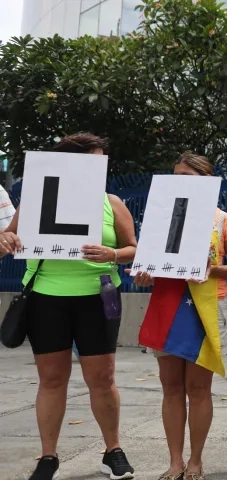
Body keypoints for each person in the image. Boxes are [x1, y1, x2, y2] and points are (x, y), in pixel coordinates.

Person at [0, 133, 138, 480]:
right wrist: (7, 240)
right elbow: (6, 242)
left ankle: (113, 450)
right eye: (93, 160)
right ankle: (48, 457)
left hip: (98, 297)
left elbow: (135, 248)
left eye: (102, 160)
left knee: (102, 379)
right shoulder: (36, 200)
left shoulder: (111, 202)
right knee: (51, 379)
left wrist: (114, 255)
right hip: (47, 298)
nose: (99, 167)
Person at [132, 152, 227, 480]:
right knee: (170, 388)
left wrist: (212, 270)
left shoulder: (223, 220)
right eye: (176, 175)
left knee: (198, 389)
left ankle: (195, 461)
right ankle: (174, 461)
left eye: (188, 176)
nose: (180, 181)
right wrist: (144, 275)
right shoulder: (160, 217)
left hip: (207, 307)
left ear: (206, 181)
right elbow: (148, 264)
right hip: (166, 305)